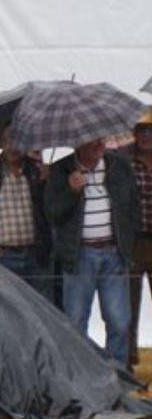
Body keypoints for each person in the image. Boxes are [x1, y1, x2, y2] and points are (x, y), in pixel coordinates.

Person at [45, 138, 138, 366]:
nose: (98, 144)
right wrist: (71, 191)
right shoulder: (61, 169)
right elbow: (53, 214)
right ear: (77, 142)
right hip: (79, 256)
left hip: (114, 253)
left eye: (101, 139)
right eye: (92, 140)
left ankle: (118, 379)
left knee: (119, 321)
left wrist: (126, 243)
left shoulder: (120, 165)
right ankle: (82, 379)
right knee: (76, 322)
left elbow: (133, 207)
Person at [0, 126, 54, 299]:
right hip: (2, 257)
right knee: (4, 311)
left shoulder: (38, 172)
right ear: (1, 143)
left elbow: (52, 212)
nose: (13, 147)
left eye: (18, 141)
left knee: (42, 313)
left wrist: (48, 183)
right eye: (8, 141)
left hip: (36, 255)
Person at [121, 110, 152, 370]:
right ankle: (129, 359)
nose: (146, 135)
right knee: (128, 304)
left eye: (150, 130)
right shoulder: (121, 158)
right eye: (141, 130)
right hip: (132, 241)